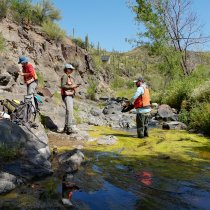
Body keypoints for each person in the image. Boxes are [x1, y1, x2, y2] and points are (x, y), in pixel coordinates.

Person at [60, 63, 80, 134]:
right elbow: (63, 86)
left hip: (69, 95)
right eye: (70, 69)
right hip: (66, 95)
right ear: (67, 69)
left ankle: (66, 128)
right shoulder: (65, 76)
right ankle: (69, 128)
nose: (72, 70)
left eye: (72, 69)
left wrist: (74, 86)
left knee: (69, 111)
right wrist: (72, 86)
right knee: (70, 111)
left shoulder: (68, 76)